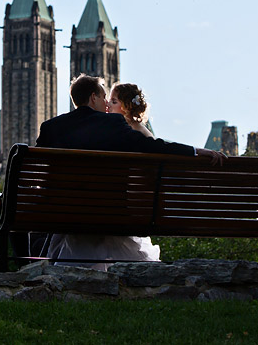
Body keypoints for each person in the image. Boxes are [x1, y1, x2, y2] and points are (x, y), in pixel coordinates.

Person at [36, 74, 225, 270]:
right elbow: (153, 146)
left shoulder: (51, 127)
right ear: (93, 98)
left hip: (64, 213)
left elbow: (37, 168)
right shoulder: (112, 124)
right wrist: (194, 151)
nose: (106, 104)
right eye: (103, 98)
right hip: (108, 213)